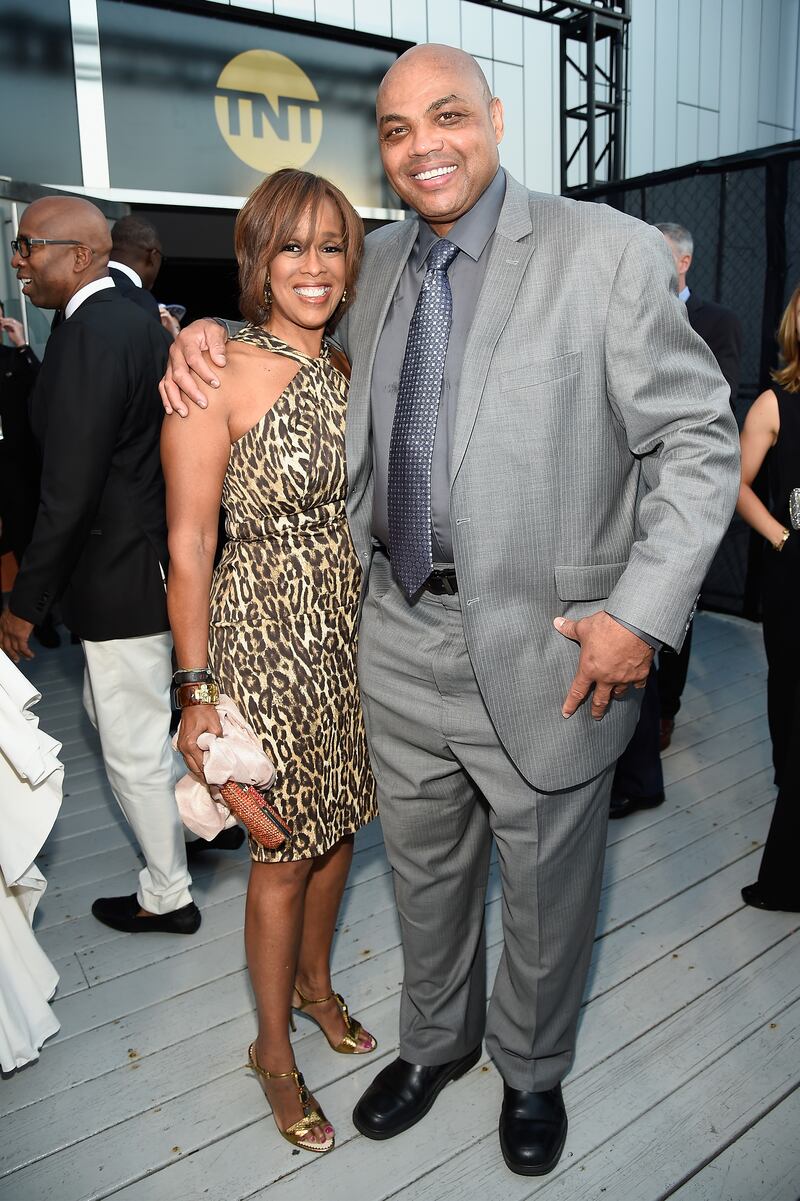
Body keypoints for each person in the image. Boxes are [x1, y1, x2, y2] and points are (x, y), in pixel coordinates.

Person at [163, 45, 740, 1176]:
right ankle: (435, 1043)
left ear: (496, 119)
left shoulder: (607, 253)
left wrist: (642, 612)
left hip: (552, 644)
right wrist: (192, 331)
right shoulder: (369, 261)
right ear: (377, 151)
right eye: (394, 129)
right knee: (424, 876)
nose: (423, 144)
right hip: (392, 635)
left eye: (447, 117)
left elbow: (696, 438)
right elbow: (280, 328)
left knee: (544, 885)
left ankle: (530, 1069)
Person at [162, 168, 378, 1156]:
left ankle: (317, 987)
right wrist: (197, 694)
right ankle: (270, 1048)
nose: (312, 265)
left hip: (348, 644)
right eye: (290, 245)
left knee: (337, 838)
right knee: (282, 853)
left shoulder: (344, 369)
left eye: (330, 244)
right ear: (256, 259)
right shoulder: (210, 373)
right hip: (262, 651)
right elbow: (189, 544)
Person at [0, 195, 200, 936]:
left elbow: (70, 487)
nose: (20, 263)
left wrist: (25, 600)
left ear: (80, 255)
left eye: (28, 248)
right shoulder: (131, 311)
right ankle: (206, 824)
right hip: (141, 564)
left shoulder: (91, 329)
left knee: (130, 746)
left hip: (119, 572)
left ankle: (168, 892)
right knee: (118, 719)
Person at [654, 222, 744, 751]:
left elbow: (720, 401)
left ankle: (667, 709)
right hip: (627, 487)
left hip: (683, 482)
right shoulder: (624, 306)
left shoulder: (718, 321)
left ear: (683, 262)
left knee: (676, 603)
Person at [735, 283, 800, 913]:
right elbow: (737, 484)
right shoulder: (776, 404)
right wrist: (783, 537)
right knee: (791, 699)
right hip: (795, 577)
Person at [0, 301, 60, 649]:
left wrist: (22, 344)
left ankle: (44, 621)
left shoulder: (12, 360)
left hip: (14, 470)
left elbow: (42, 388)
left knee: (26, 543)